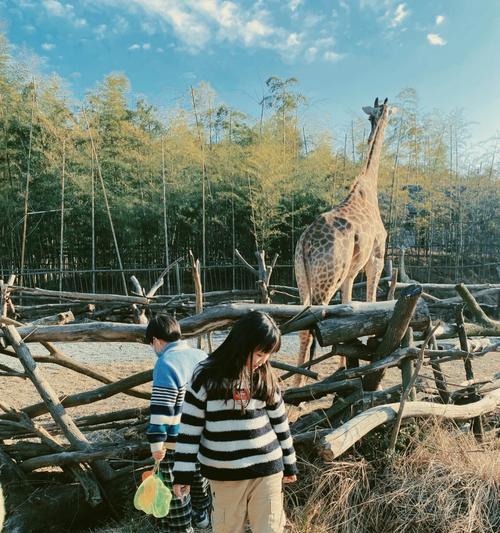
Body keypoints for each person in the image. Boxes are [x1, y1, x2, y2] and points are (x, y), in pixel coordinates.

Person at [173, 311, 298, 533]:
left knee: (270, 528)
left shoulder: (262, 376)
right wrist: (183, 474)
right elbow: (189, 429)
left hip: (266, 469)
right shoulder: (206, 376)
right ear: (242, 344)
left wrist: (289, 462)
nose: (263, 361)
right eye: (259, 354)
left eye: (267, 355)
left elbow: (280, 421)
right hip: (225, 476)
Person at [145, 314, 211, 532]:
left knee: (177, 490)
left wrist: (156, 443)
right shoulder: (201, 355)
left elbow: (162, 409)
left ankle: (183, 527)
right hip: (203, 434)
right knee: (200, 479)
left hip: (176, 441)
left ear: (156, 340)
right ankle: (203, 517)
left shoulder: (165, 363)